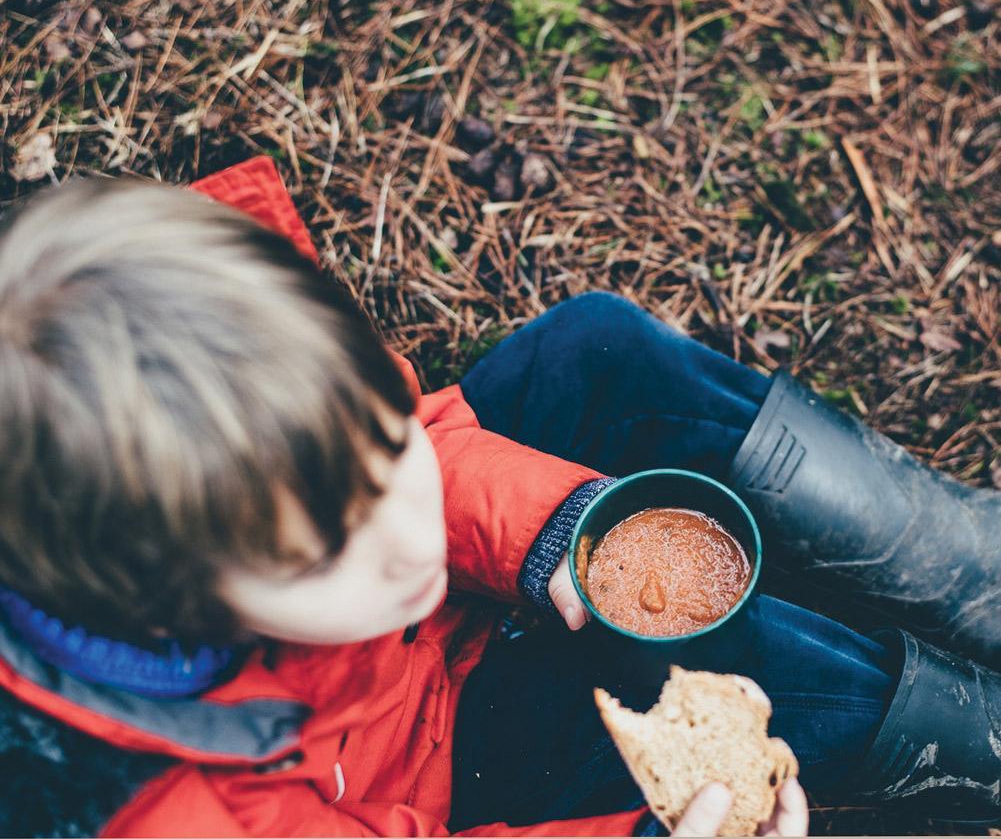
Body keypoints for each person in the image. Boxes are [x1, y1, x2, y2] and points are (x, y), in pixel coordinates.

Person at [0, 157, 991, 837]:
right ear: (163, 607)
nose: (407, 536)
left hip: (436, 632)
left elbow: (424, 434)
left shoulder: (244, 371)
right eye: (333, 547)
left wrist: (547, 529)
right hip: (449, 774)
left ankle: (964, 564)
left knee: (593, 350)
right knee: (757, 674)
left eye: (382, 448)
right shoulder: (163, 805)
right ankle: (966, 739)